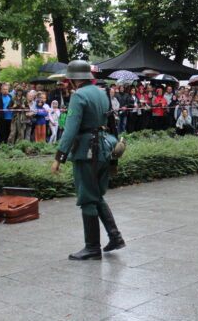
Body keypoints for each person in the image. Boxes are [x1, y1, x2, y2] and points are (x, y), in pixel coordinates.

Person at [51, 60, 125, 261]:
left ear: (74, 79)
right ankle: (115, 237)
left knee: (87, 198)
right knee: (97, 196)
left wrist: (59, 157)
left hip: (87, 152)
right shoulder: (102, 93)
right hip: (104, 148)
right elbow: (111, 122)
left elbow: (71, 129)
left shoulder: (79, 96)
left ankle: (92, 247)